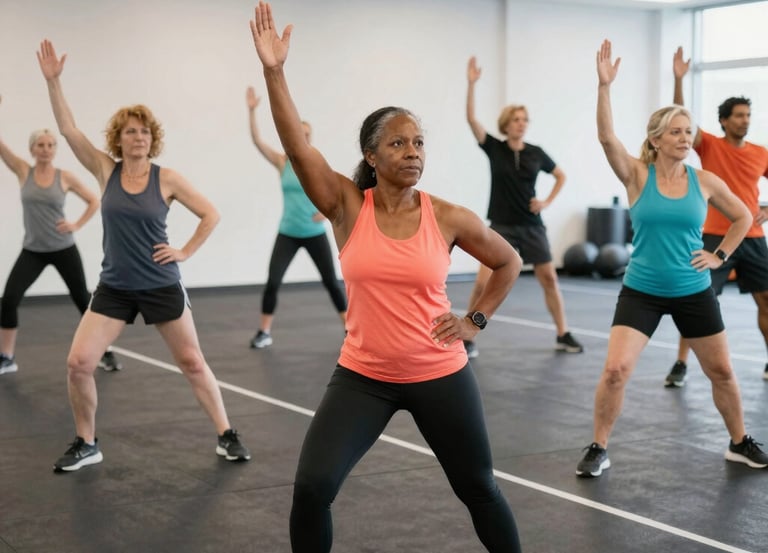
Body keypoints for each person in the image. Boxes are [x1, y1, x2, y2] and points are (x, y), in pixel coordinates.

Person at [250, 3, 523, 551]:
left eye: (418, 142)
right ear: (371, 155)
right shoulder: (346, 206)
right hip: (363, 376)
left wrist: (474, 320)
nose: (412, 151)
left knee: (479, 488)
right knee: (312, 488)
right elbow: (298, 149)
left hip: (439, 372)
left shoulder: (447, 216)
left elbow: (508, 261)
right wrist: (275, 72)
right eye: (398, 142)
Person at [37, 40, 250, 471]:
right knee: (79, 363)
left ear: (154, 139)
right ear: (118, 138)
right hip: (115, 285)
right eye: (131, 130)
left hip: (159, 283)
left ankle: (226, 434)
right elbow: (69, 131)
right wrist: (54, 82)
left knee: (192, 362)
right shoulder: (105, 170)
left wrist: (185, 251)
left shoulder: (166, 178)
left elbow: (210, 213)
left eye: (146, 131)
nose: (139, 136)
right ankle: (86, 442)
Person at [576, 40, 768, 478]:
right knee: (615, 371)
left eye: (688, 132)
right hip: (641, 289)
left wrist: (719, 255)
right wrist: (604, 86)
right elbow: (607, 137)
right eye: (676, 132)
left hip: (692, 289)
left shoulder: (705, 180)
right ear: (656, 139)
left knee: (721, 370)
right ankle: (598, 447)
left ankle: (739, 441)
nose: (685, 139)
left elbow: (741, 216)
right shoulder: (636, 174)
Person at [463, 56, 583, 359]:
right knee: (481, 282)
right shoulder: (495, 148)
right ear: (506, 123)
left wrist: (546, 202)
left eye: (524, 119)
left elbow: (561, 175)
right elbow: (472, 121)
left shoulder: (536, 153)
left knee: (550, 278)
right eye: (516, 119)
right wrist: (472, 84)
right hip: (501, 224)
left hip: (531, 225)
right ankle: (467, 335)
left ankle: (563, 333)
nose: (521, 124)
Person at [664, 46, 768, 388]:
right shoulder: (709, 144)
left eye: (748, 115)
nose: (745, 120)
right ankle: (681, 363)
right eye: (738, 115)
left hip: (752, 237)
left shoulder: (760, 153)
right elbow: (682, 118)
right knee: (697, 299)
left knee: (766, 299)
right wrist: (679, 79)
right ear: (724, 120)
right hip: (713, 237)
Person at [0, 95, 122, 375]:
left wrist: (76, 224)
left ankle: (105, 352)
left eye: (51, 145)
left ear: (55, 149)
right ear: (32, 149)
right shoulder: (23, 171)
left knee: (83, 298)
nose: (46, 149)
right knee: (9, 300)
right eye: (41, 145)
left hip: (63, 247)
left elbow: (94, 200)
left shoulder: (65, 177)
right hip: (32, 249)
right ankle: (6, 356)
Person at [245, 86, 347, 348]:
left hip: (314, 234)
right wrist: (252, 111)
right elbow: (257, 142)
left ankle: (350, 330)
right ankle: (264, 332)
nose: (302, 137)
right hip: (288, 232)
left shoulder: (317, 164)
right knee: (273, 282)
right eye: (298, 133)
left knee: (332, 283)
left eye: (307, 134)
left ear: (310, 138)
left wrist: (325, 215)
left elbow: (339, 193)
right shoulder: (282, 162)